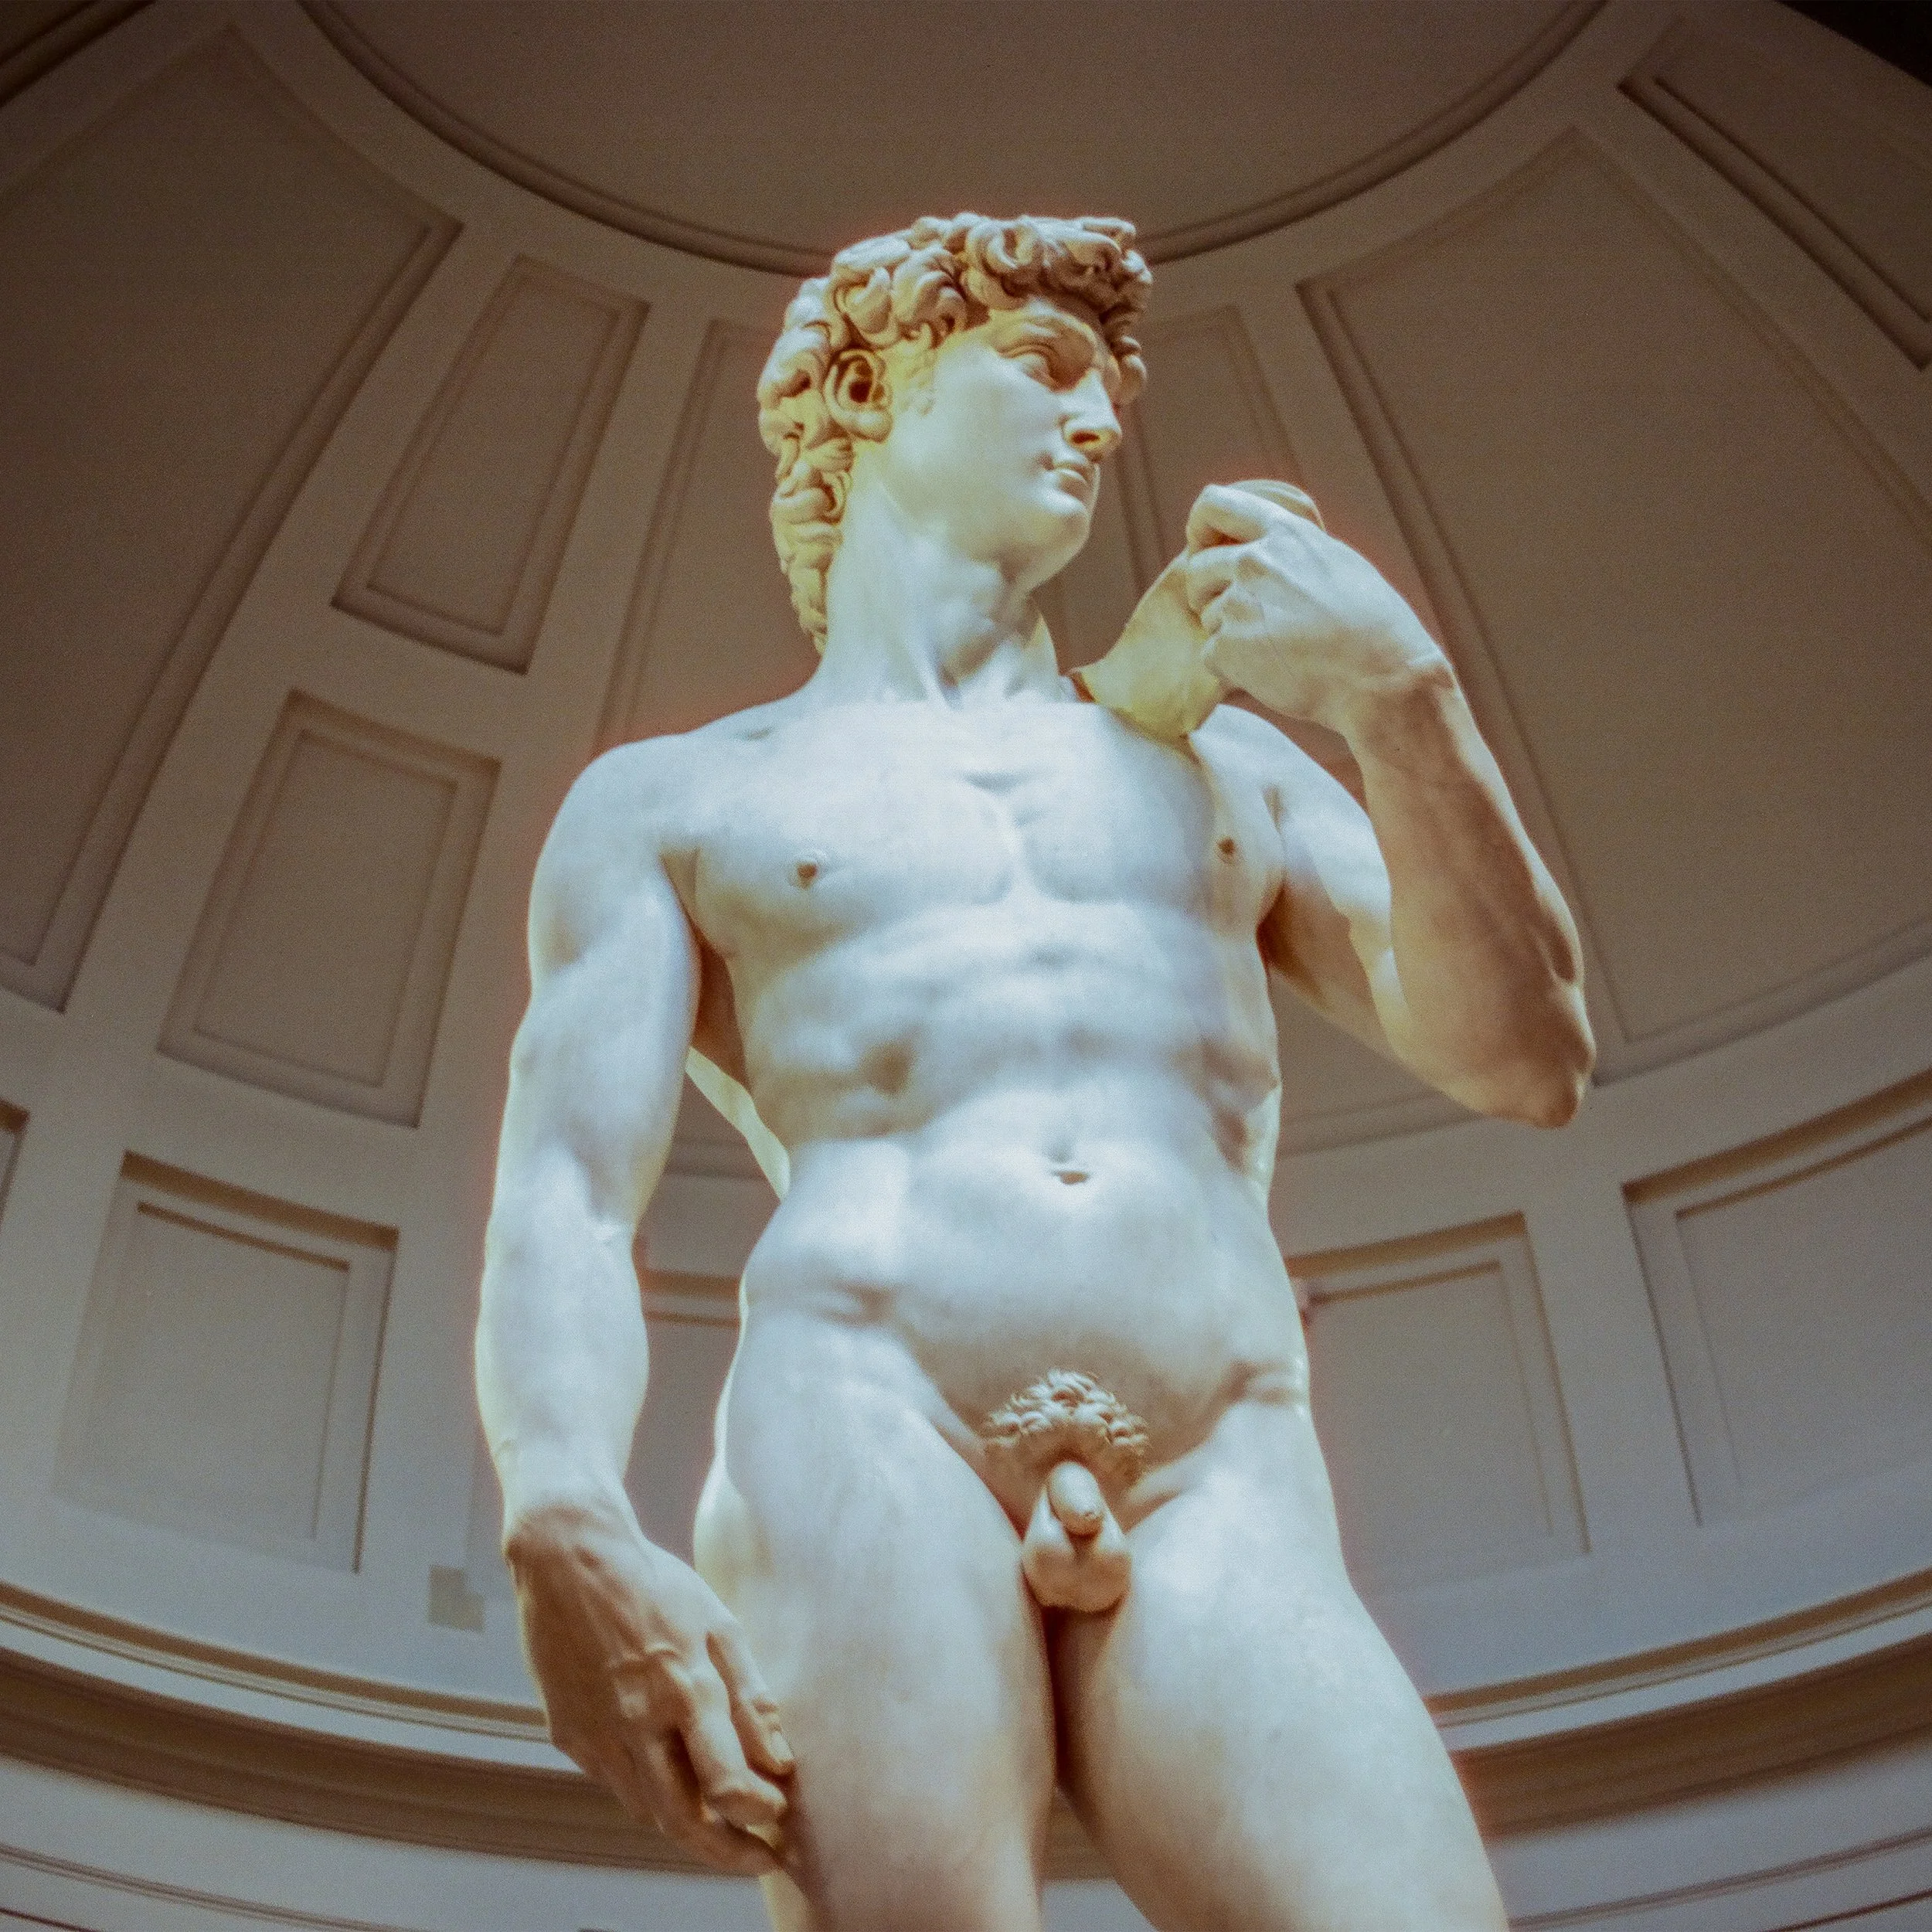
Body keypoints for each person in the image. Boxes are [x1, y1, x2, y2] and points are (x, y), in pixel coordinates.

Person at [476, 213, 1594, 1932]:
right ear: (872, 394)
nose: (1096, 423)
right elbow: (565, 1190)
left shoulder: (1220, 764)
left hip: (1217, 1446)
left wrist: (1402, 697)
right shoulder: (685, 798)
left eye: (1109, 396)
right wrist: (561, 1512)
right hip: (865, 1411)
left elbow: (1526, 1058)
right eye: (1044, 366)